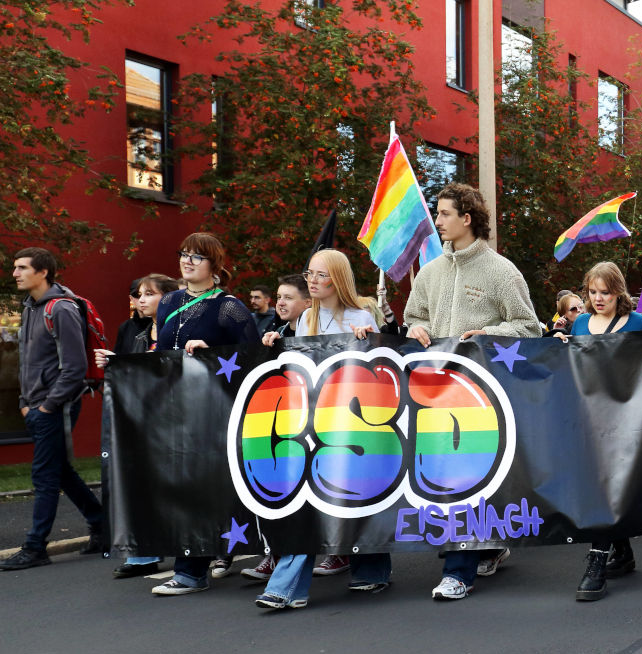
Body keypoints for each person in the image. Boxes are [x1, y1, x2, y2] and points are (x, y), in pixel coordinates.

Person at [366, 181, 541, 602]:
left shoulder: (501, 271)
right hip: (431, 394)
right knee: (445, 477)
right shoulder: (430, 272)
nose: (438, 221)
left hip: (481, 395)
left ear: (467, 218)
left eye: (444, 214)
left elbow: (530, 327)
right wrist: (418, 328)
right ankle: (488, 543)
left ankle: (458, 570)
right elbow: (413, 319)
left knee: (463, 478)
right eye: (438, 214)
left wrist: (489, 333)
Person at [252, 249, 377, 610]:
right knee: (304, 502)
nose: (312, 280)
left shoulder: (361, 315)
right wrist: (277, 346)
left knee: (361, 497)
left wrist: (366, 338)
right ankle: (289, 586)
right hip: (310, 422)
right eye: (309, 273)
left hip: (354, 425)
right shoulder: (305, 317)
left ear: (338, 278)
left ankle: (372, 570)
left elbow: (379, 369)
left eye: (321, 275)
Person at [149, 232, 260, 595]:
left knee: (201, 486)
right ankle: (201, 559)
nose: (187, 261)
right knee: (183, 485)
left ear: (215, 265)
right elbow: (162, 352)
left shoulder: (227, 306)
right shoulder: (168, 302)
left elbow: (254, 358)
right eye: (183, 254)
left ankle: (192, 571)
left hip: (216, 409)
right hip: (174, 406)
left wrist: (213, 351)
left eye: (197, 257)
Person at [0, 248, 108, 570]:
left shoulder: (59, 308)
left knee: (44, 474)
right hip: (35, 406)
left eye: (22, 268)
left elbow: (73, 367)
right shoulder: (31, 307)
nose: (15, 273)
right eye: (15, 268)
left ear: (43, 272)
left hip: (55, 406)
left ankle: (35, 547)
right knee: (59, 470)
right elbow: (26, 362)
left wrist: (47, 406)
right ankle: (101, 524)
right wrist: (23, 402)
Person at [570, 261, 642, 601]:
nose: (598, 299)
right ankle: (622, 552)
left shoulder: (638, 322)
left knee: (608, 484)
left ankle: (597, 560)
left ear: (619, 292)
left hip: (625, 418)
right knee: (600, 484)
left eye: (605, 293)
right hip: (589, 417)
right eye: (593, 292)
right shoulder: (581, 322)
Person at [101, 273, 180, 578]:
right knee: (143, 484)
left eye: (149, 293)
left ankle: (206, 548)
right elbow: (132, 374)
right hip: (142, 420)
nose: (140, 299)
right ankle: (144, 552)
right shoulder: (137, 333)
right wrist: (114, 363)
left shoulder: (182, 332)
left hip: (176, 418)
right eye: (139, 294)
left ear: (169, 299)